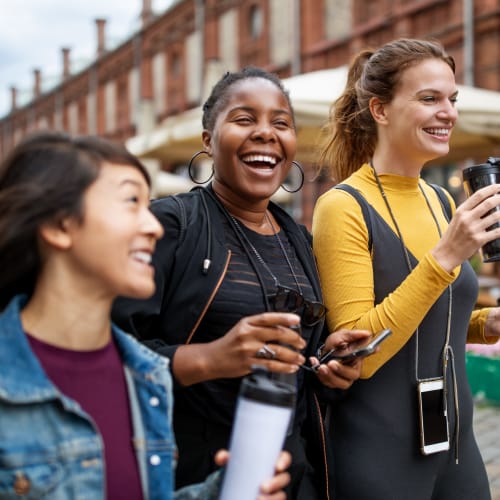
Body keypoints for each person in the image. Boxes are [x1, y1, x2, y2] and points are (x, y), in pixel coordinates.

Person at [112, 66, 370, 499]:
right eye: (245, 119)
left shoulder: (299, 240)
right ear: (209, 141)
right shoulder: (170, 225)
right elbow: (109, 352)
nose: (266, 133)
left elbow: (300, 366)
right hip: (196, 477)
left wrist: (329, 368)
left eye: (280, 123)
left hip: (292, 476)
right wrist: (211, 358)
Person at [0, 131, 291, 500]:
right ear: (60, 226)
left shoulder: (146, 375)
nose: (153, 225)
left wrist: (221, 493)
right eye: (130, 202)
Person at [312, 37, 500, 499]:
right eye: (429, 98)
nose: (448, 113)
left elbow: (435, 316)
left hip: (458, 446)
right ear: (380, 109)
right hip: (380, 452)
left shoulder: (439, 199)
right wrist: (446, 257)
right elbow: (361, 351)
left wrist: (485, 324)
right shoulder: (343, 206)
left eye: (451, 99)